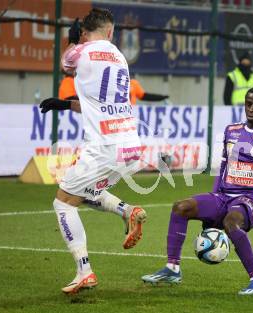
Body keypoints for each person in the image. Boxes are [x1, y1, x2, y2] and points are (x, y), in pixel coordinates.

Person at [39, 9, 147, 294]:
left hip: (103, 147)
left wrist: (73, 41)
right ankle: (128, 210)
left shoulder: (81, 51)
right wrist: (66, 105)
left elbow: (66, 63)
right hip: (129, 147)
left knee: (63, 203)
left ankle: (84, 271)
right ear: (111, 32)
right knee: (86, 193)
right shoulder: (120, 58)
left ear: (86, 32)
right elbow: (99, 103)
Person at [142, 86, 253, 295]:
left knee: (231, 222)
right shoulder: (232, 131)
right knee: (180, 207)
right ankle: (172, 268)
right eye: (248, 104)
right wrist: (212, 204)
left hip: (251, 199)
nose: (251, 109)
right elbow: (222, 168)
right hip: (222, 196)